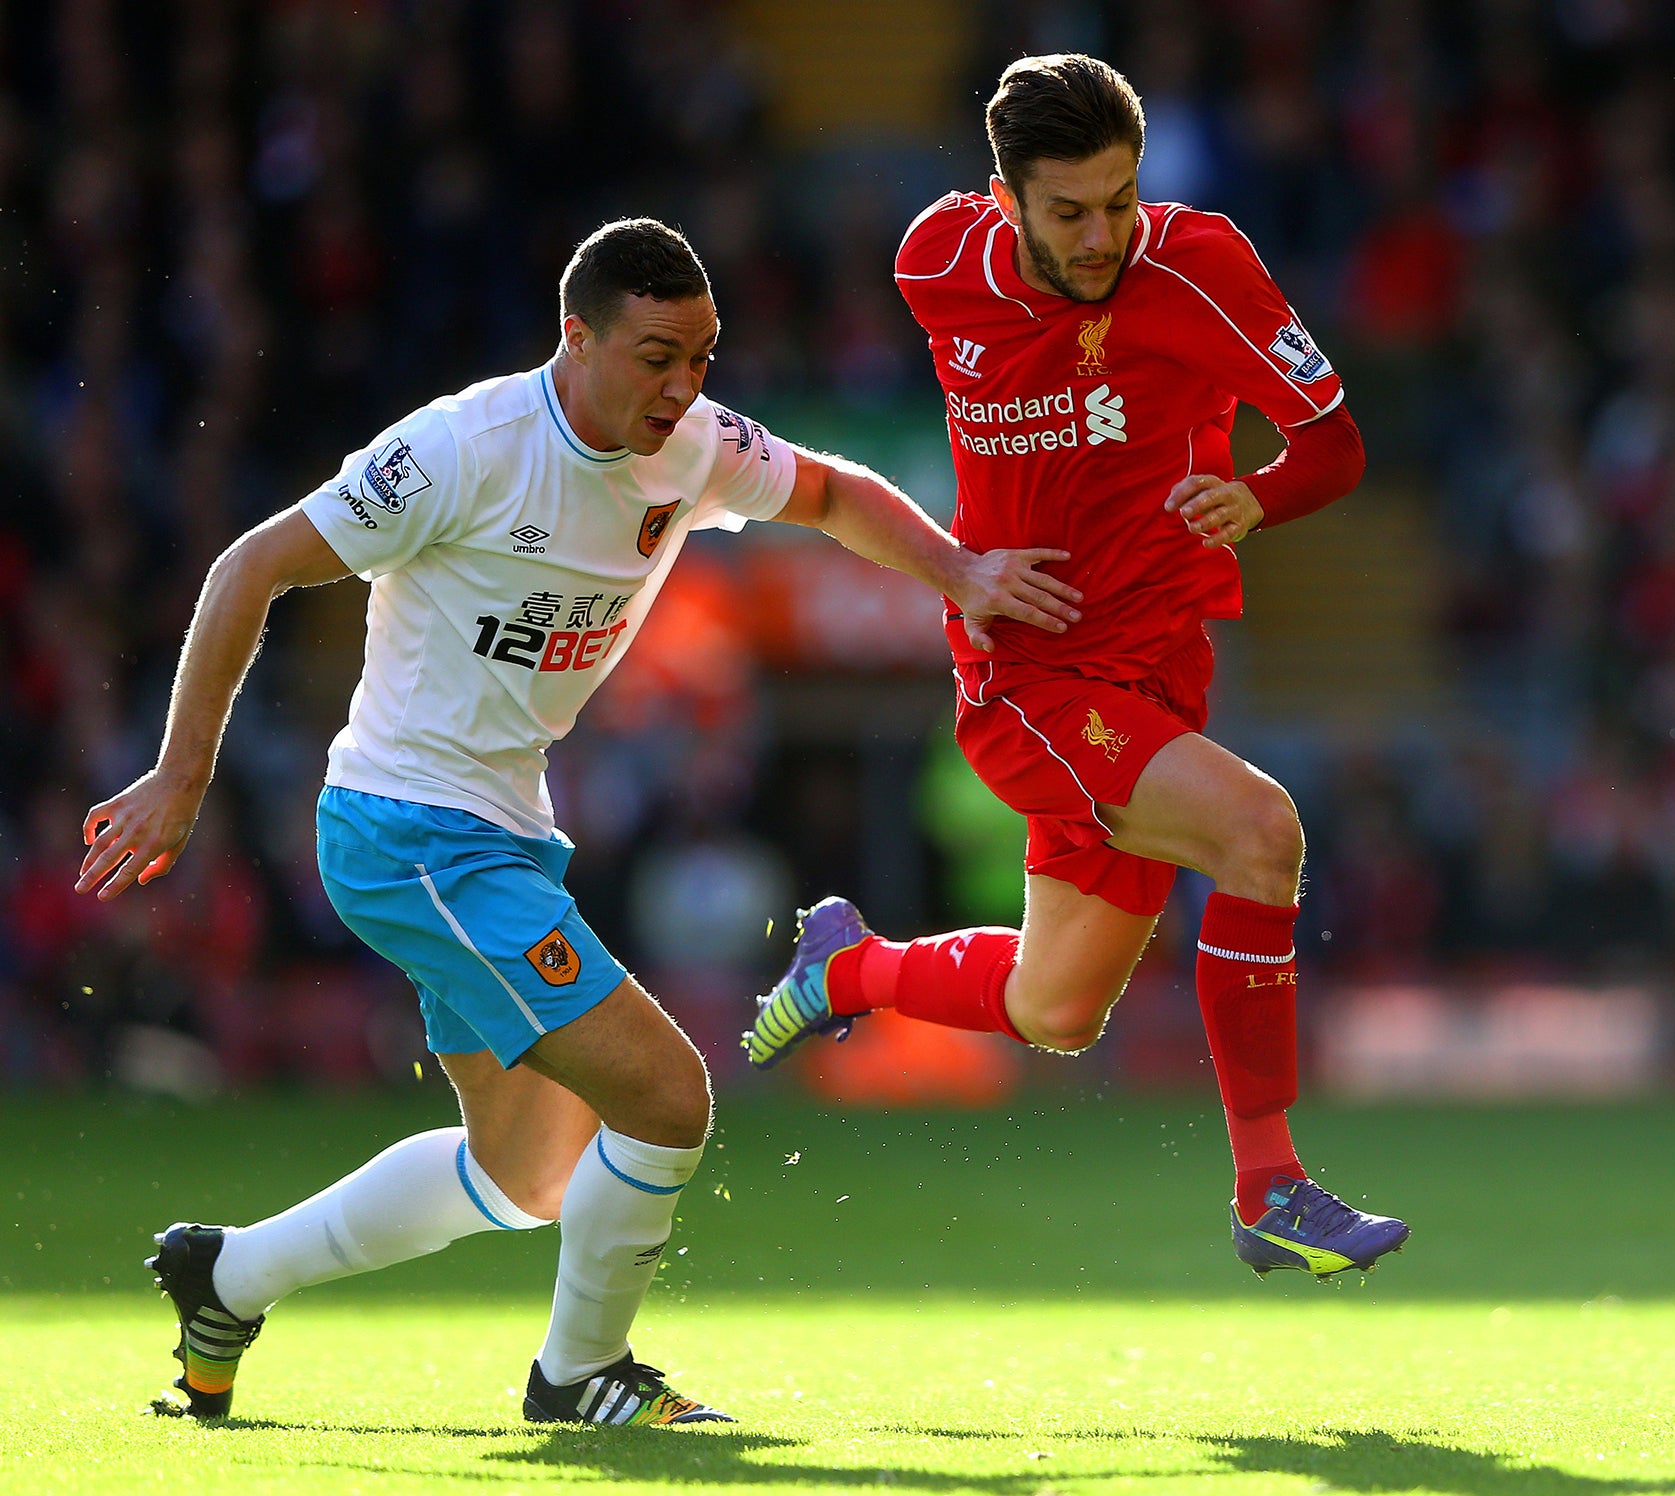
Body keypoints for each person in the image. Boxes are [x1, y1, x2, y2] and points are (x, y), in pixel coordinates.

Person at [78, 218, 1078, 1425]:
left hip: (499, 834)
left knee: (525, 1176)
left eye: (702, 358)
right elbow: (249, 565)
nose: (683, 387)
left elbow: (828, 491)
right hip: (407, 830)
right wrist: (182, 778)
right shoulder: (460, 449)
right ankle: (579, 1376)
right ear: (576, 337)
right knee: (667, 1098)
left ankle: (227, 1276)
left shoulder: (688, 447)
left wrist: (960, 575)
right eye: (657, 356)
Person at [745, 54, 1410, 1281]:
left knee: (1055, 1011)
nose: (1103, 235)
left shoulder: (1198, 265)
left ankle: (846, 965)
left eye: (1119, 199)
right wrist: (962, 567)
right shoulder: (932, 265)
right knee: (1261, 834)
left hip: (1158, 674)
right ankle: (1271, 1185)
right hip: (1032, 683)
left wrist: (1255, 497)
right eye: (1068, 211)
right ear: (1001, 200)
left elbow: (1335, 446)